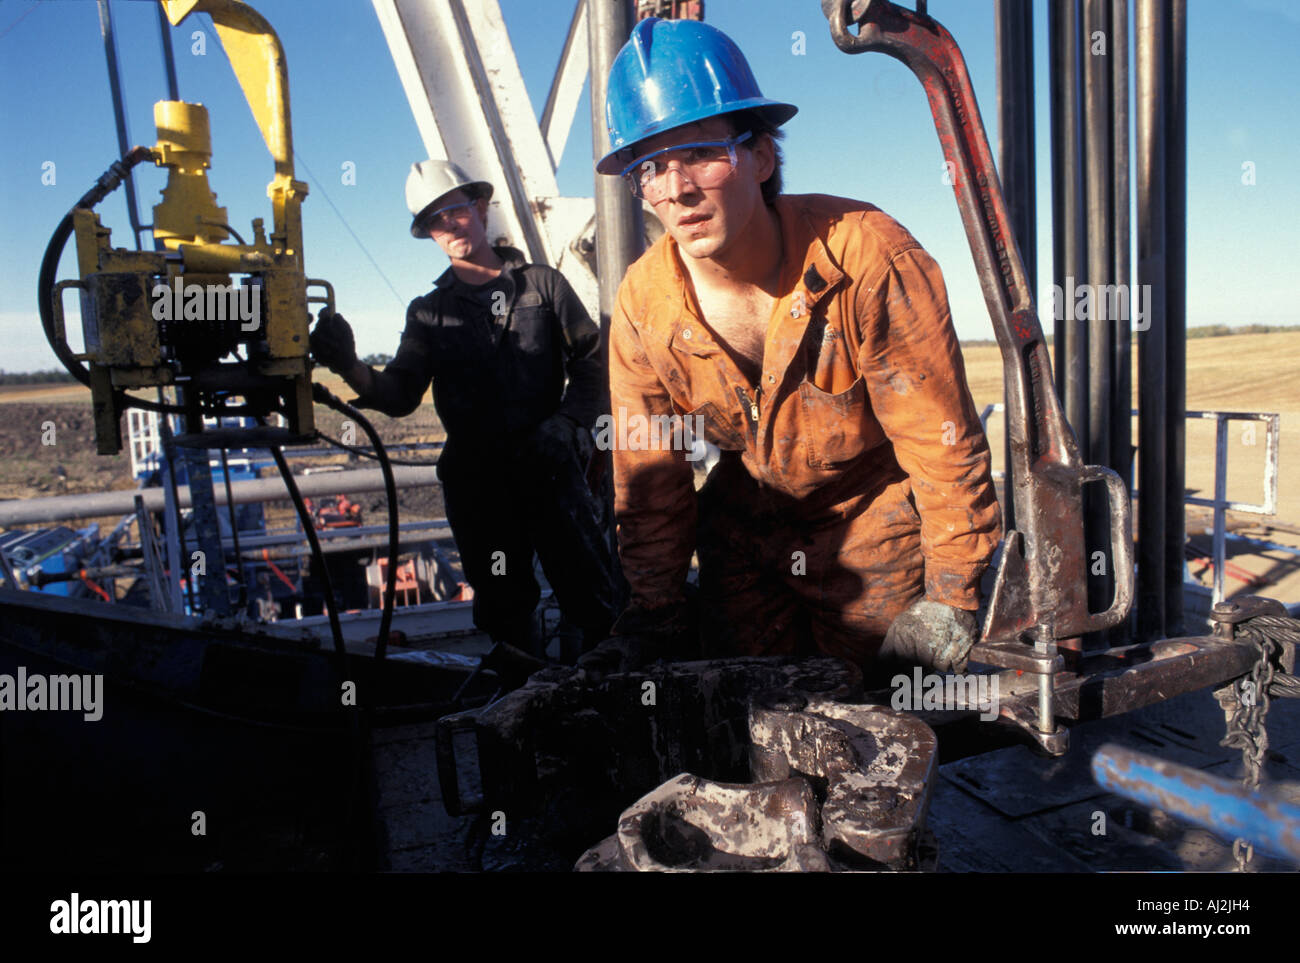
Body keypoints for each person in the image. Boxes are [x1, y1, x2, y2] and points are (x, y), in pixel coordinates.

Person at [581, 18, 1002, 679]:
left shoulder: (866, 255)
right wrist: (656, 609)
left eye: (701, 153)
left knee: (881, 717)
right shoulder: (644, 306)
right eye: (651, 167)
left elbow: (939, 439)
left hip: (870, 522)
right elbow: (651, 477)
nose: (677, 189)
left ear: (762, 156)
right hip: (745, 534)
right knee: (749, 712)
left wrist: (953, 593)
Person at [309, 160, 618, 668]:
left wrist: (567, 423)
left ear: (479, 208)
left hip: (551, 467)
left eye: (455, 211)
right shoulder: (428, 312)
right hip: (479, 483)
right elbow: (400, 393)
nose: (448, 226)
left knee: (588, 591)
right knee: (504, 605)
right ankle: (523, 707)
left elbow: (592, 361)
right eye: (435, 220)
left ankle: (603, 704)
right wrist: (350, 367)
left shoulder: (543, 287)